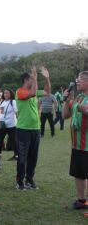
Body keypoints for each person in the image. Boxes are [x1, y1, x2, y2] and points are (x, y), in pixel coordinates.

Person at [15, 66, 51, 190]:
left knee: (33, 157)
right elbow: (32, 93)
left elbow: (47, 92)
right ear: (26, 80)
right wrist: (35, 78)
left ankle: (29, 180)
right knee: (22, 157)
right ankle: (19, 181)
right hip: (23, 129)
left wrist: (47, 78)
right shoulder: (20, 91)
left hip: (35, 129)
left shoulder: (33, 91)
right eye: (31, 79)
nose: (34, 81)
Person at [62, 71, 88, 210]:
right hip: (77, 145)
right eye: (77, 79)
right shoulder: (79, 97)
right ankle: (81, 200)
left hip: (87, 145)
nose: (77, 82)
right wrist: (67, 100)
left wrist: (73, 103)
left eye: (80, 79)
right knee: (79, 174)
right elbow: (65, 115)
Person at [0, 89, 18, 160]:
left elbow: (17, 112)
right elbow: (0, 113)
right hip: (2, 124)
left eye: (8, 93)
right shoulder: (2, 102)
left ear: (11, 94)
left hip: (12, 125)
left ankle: (16, 155)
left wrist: (19, 122)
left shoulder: (13, 102)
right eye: (5, 93)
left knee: (13, 140)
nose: (6, 95)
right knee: (0, 140)